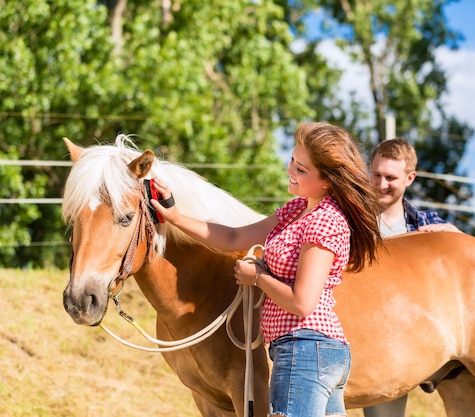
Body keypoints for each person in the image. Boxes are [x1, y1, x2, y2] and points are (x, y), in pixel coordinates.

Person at [151, 121, 382, 417]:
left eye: (301, 169)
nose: (290, 171)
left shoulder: (325, 222)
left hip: (305, 350)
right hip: (309, 351)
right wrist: (176, 216)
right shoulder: (296, 210)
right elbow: (233, 237)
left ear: (327, 181)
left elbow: (302, 303)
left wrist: (257, 277)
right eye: (292, 161)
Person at [363, 137, 460, 417]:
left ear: (410, 178)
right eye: (376, 174)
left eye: (391, 178)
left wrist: (455, 233)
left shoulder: (427, 225)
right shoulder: (349, 220)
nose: (381, 184)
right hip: (366, 337)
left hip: (408, 337)